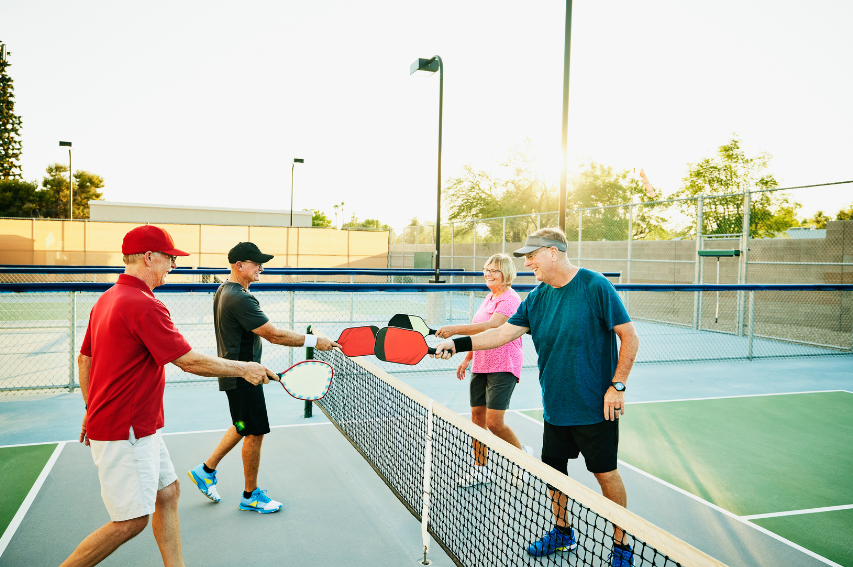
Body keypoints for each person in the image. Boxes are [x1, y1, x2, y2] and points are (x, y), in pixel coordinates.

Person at [63, 225, 277, 567]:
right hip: (127, 428)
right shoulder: (145, 305)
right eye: (169, 259)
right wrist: (244, 368)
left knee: (168, 493)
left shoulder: (107, 299)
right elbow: (188, 361)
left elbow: (84, 358)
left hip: (135, 425)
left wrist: (91, 407)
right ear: (148, 257)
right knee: (130, 522)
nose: (173, 266)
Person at [433, 227, 640, 567]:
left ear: (554, 252)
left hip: (595, 407)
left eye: (532, 255)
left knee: (605, 475)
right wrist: (457, 344)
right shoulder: (538, 297)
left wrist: (617, 386)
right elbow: (501, 333)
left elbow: (629, 336)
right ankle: (563, 532)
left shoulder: (594, 285)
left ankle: (621, 546)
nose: (527, 262)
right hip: (554, 407)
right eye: (526, 257)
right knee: (554, 473)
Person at [188, 242, 339, 514]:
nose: (261, 268)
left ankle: (205, 470)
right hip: (243, 376)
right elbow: (274, 334)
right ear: (239, 265)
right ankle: (250, 496)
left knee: (243, 423)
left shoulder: (225, 289)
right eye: (256, 263)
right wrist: (316, 340)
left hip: (237, 372)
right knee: (255, 432)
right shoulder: (239, 297)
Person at [435, 253, 533, 487]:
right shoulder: (489, 297)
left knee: (494, 422)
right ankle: (481, 469)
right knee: (477, 418)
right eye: (486, 269)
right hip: (481, 364)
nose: (488, 274)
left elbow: (492, 327)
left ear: (506, 274)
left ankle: (524, 459)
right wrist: (467, 358)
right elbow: (480, 335)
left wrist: (455, 330)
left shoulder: (510, 299)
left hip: (503, 365)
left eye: (494, 270)